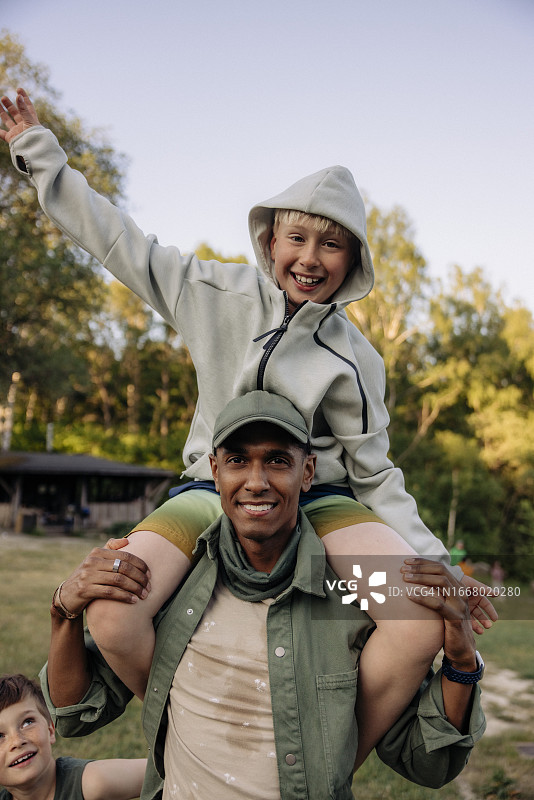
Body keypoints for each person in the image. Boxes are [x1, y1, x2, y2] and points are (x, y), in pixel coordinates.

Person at [1, 89, 496, 735]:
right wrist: (42, 155)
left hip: (325, 497)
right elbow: (122, 244)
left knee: (416, 616)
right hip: (210, 485)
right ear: (269, 240)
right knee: (114, 613)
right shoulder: (213, 292)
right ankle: (195, 736)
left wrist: (438, 561)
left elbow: (376, 474)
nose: (311, 258)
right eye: (297, 237)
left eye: (332, 244)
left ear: (355, 262)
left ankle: (332, 754)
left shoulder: (357, 361)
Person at [41, 392, 486, 800]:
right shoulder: (169, 592)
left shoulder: (356, 604)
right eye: (238, 460)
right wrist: (64, 610)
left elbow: (428, 762)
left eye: (276, 461)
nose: (256, 481)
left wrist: (463, 663)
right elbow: (74, 712)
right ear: (215, 472)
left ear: (307, 472)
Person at [0, 673, 146, 800]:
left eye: (27, 723)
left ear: (50, 730)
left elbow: (160, 770)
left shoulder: (92, 782)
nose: (17, 741)